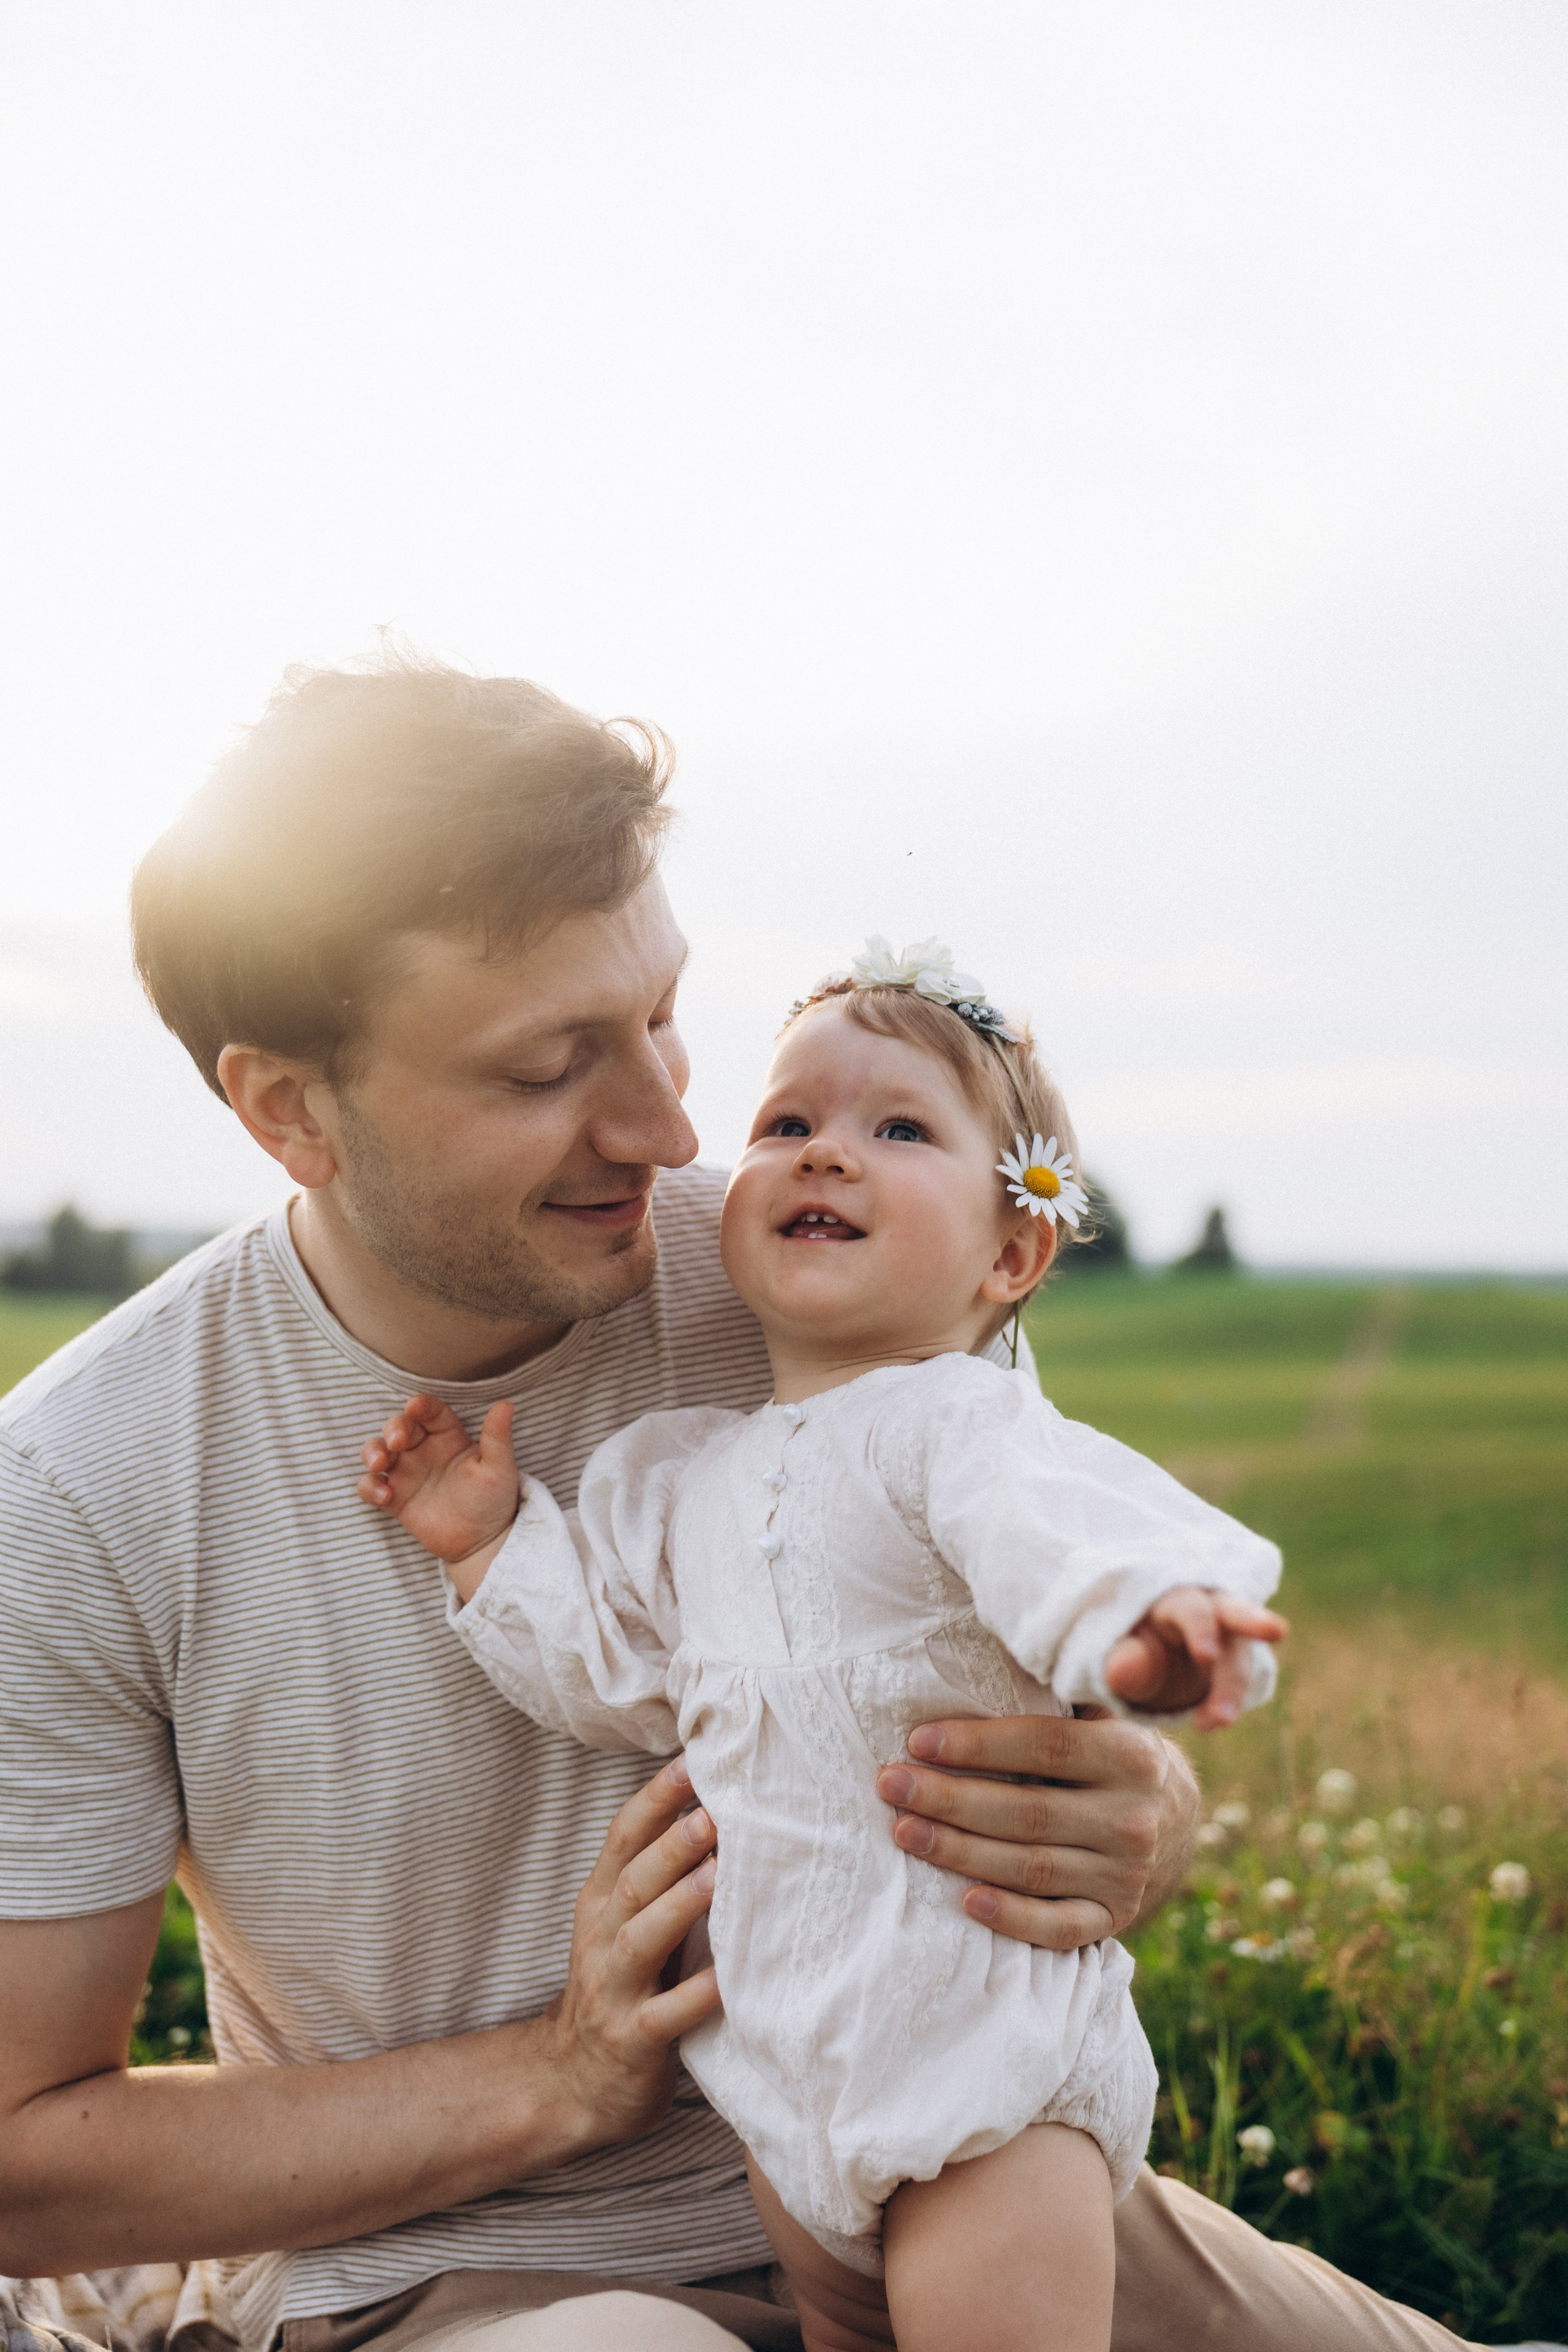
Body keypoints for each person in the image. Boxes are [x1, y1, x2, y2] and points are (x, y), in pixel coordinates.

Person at [0, 652, 1487, 2352]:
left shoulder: (826, 1268)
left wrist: (1137, 1810)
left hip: (956, 2175)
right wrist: (559, 2077)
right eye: (554, 1061)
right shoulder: (78, 1488)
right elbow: (25, 2157)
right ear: (287, 1107)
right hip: (457, 2272)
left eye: (660, 1013)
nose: (670, 1121)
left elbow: (1057, 1609)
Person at [355, 945, 1287, 2352]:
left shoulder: (956, 1428)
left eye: (896, 1129)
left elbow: (1060, 1536)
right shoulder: (679, 1473)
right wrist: (490, 1547)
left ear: (1011, 1250)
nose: (825, 1156)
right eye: (784, 1126)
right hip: (785, 2091)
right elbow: (608, 1672)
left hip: (981, 2078)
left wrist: (1137, 1634)